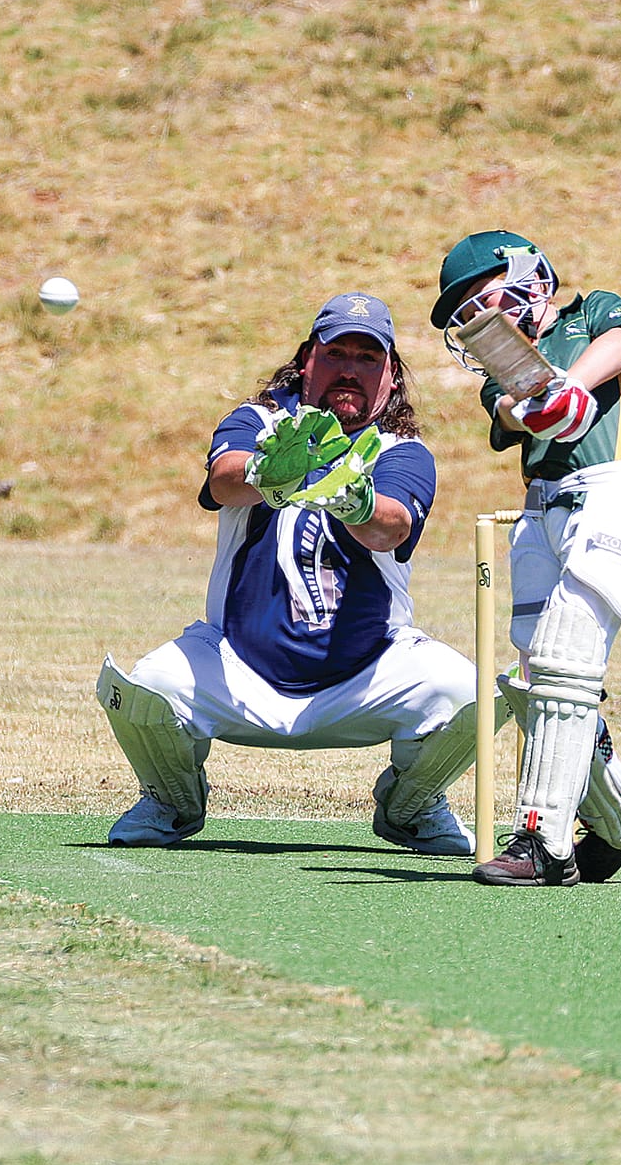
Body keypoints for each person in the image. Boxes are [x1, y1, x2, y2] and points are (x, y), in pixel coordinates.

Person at [96, 291, 483, 859]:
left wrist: (353, 500)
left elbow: (391, 527)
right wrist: (268, 471)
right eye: (337, 354)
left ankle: (411, 808)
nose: (349, 370)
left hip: (363, 677)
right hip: (238, 667)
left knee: (468, 692)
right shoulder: (258, 421)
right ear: (307, 359)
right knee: (147, 685)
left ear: (392, 377)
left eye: (368, 358)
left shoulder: (403, 450)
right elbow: (224, 480)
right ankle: (172, 802)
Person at [431, 230, 621, 887]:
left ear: (522, 275)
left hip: (617, 488)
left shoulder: (590, 312)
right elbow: (512, 414)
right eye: (460, 309)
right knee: (541, 677)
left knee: (569, 653)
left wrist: (569, 384)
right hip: (542, 510)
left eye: (473, 295)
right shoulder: (500, 374)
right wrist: (534, 399)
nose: (471, 315)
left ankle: (543, 840)